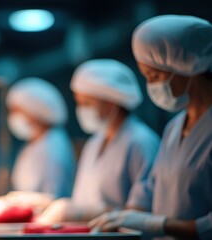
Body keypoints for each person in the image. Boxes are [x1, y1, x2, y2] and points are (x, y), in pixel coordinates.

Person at [89, 15, 212, 240]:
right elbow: (150, 189)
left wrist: (159, 224)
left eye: (154, 76)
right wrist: (125, 217)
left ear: (187, 66)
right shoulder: (174, 127)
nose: (152, 86)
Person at [36, 59, 160, 223]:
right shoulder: (94, 143)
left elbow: (142, 211)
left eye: (86, 103)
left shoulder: (141, 142)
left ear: (110, 104)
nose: (81, 110)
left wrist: (94, 213)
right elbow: (82, 200)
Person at [6, 77, 76, 199]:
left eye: (16, 111)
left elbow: (53, 195)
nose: (12, 117)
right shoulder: (35, 143)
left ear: (35, 112)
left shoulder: (53, 146)